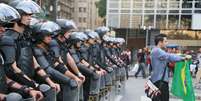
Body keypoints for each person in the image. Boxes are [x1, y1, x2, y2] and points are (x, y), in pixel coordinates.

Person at [150, 34, 185, 101]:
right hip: (160, 81)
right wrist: (183, 58)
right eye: (165, 41)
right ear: (160, 42)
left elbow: (169, 58)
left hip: (160, 80)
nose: (167, 43)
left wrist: (181, 56)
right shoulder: (157, 51)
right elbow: (169, 56)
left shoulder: (158, 51)